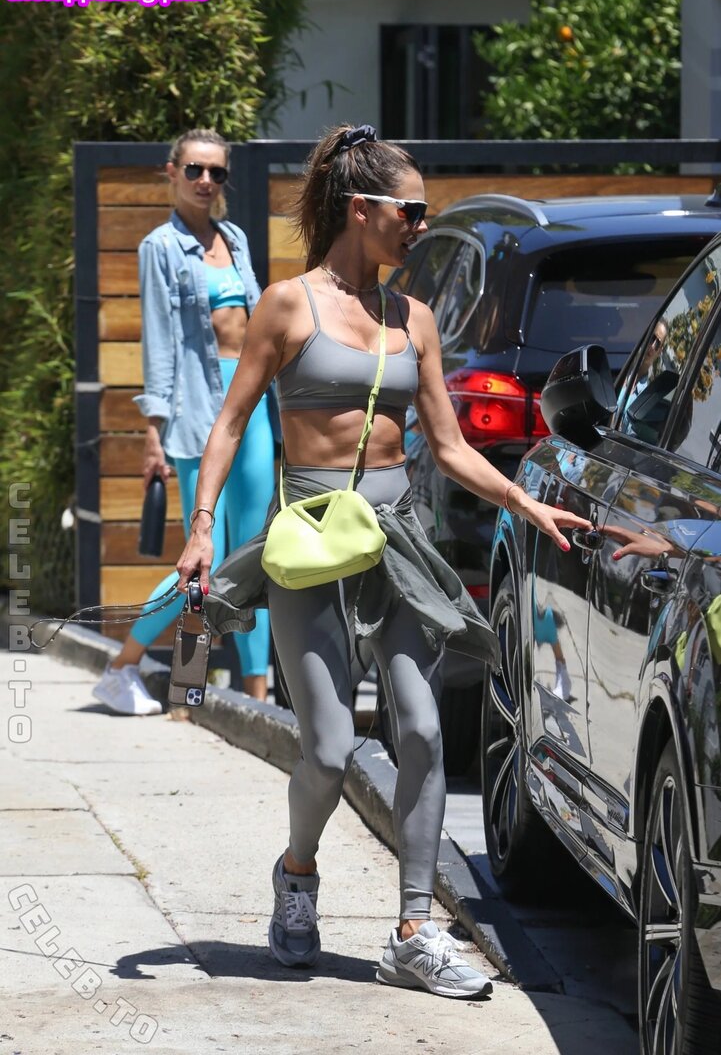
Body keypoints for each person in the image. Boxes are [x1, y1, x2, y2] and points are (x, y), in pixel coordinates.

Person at [175, 124, 593, 997]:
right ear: (360, 209)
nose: (420, 224)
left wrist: (523, 499)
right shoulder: (287, 305)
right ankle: (297, 874)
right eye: (410, 210)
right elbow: (229, 422)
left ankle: (412, 928)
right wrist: (204, 524)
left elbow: (448, 445)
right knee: (329, 749)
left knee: (424, 728)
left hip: (396, 539)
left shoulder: (416, 319)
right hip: (310, 540)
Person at [92, 128, 275, 715]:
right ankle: (135, 671)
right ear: (172, 172)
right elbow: (160, 348)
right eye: (195, 169)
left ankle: (257, 699)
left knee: (256, 555)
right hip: (198, 411)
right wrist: (155, 432)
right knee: (202, 560)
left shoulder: (235, 238)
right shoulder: (160, 247)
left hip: (252, 407)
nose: (205, 180)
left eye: (216, 172)